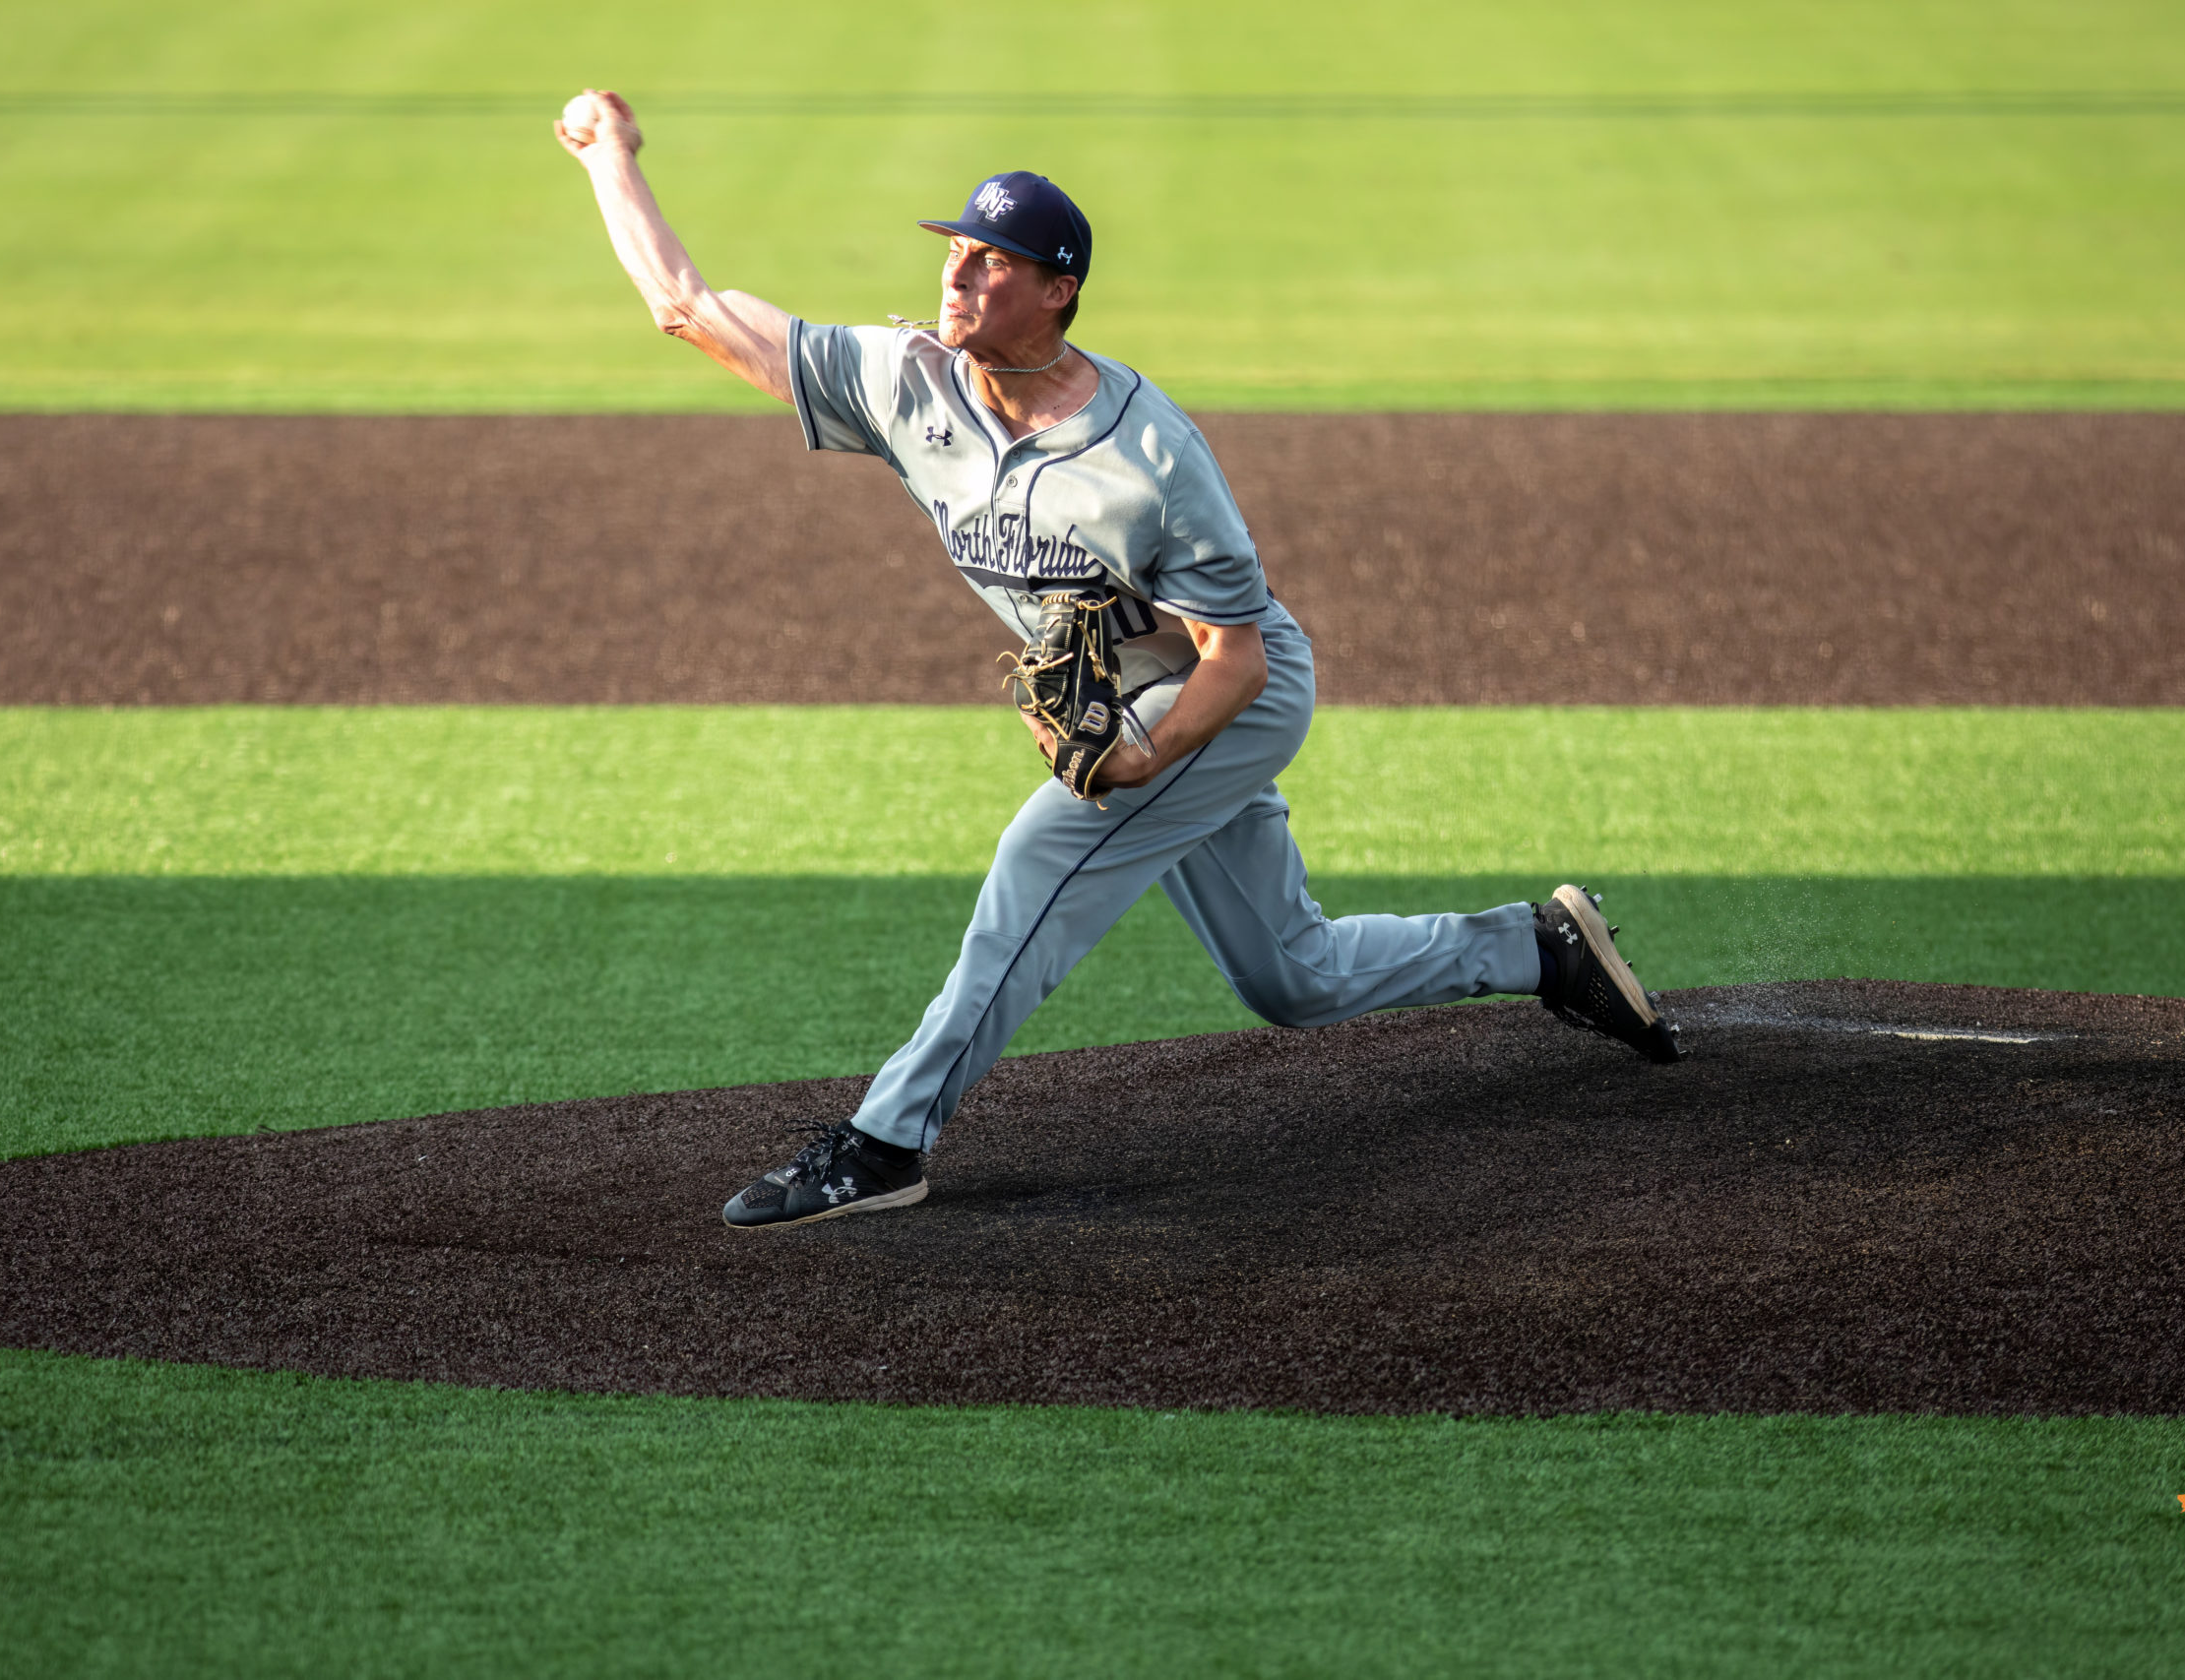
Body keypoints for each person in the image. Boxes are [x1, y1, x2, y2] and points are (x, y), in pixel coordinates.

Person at [555, 91, 1683, 1230]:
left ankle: (885, 1141)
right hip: (1133, 696)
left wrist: (1145, 757)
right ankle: (1537, 949)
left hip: (1221, 700)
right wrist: (610, 156)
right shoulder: (905, 383)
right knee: (1292, 977)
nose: (958, 273)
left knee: (1038, 862)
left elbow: (1237, 658)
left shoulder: (1149, 456)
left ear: (1058, 290)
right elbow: (685, 307)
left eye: (992, 261)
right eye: (954, 250)